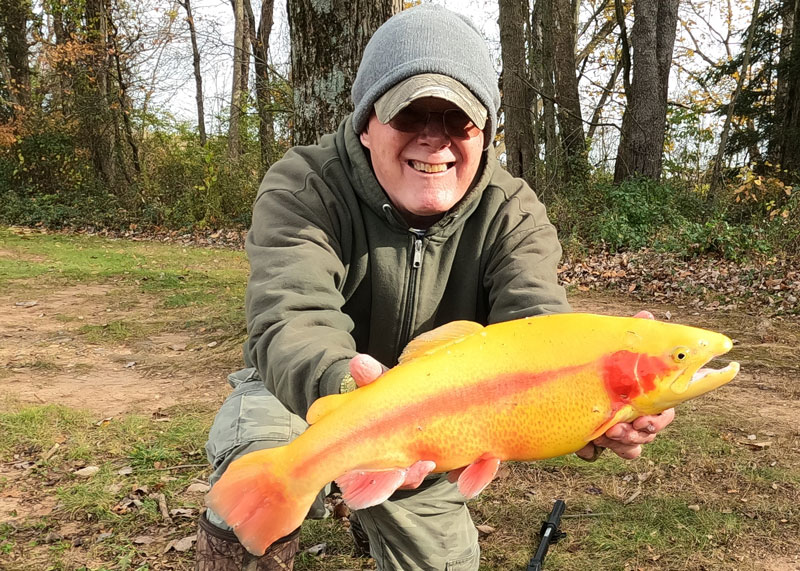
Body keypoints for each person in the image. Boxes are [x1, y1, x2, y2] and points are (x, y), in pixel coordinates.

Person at [194, 5, 675, 570]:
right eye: (409, 115)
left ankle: (371, 505)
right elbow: (290, 320)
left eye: (457, 120)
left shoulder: (512, 211)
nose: (433, 140)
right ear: (367, 123)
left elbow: (537, 332)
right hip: (306, 385)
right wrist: (360, 408)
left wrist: (598, 400)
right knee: (247, 503)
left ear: (488, 133)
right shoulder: (305, 185)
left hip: (441, 413)